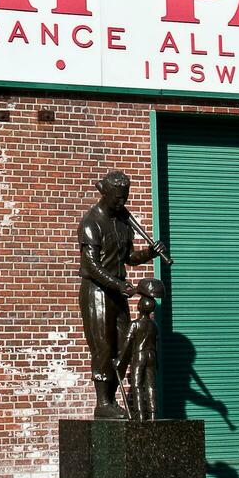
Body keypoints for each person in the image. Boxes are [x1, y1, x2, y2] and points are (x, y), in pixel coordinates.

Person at [77, 171, 158, 419]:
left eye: (125, 198)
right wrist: (118, 284)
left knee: (125, 346)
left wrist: (149, 253)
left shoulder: (124, 222)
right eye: (117, 199)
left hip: (117, 291)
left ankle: (113, 399)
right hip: (97, 292)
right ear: (106, 194)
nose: (122, 203)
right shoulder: (91, 222)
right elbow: (91, 266)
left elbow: (128, 258)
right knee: (103, 348)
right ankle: (104, 403)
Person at [117, 277, 163, 421]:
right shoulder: (154, 326)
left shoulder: (135, 325)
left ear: (140, 307)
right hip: (152, 356)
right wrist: (157, 362)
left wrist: (119, 359)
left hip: (139, 355)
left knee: (137, 385)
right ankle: (154, 414)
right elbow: (156, 344)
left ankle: (141, 414)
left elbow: (127, 344)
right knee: (151, 386)